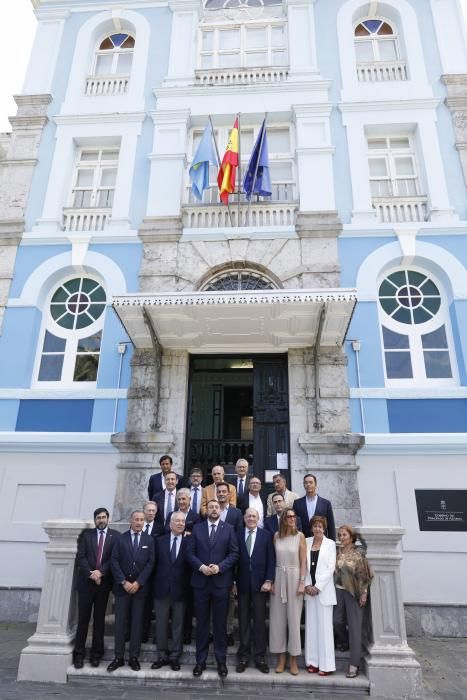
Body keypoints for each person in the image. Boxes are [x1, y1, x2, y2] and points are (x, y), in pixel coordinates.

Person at [186, 499, 239, 679]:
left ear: (220, 510)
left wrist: (220, 567)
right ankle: (200, 661)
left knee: (220, 625)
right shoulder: (197, 529)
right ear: (206, 510)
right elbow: (189, 553)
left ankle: (221, 661)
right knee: (201, 624)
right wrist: (201, 567)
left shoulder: (229, 529)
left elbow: (234, 553)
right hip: (200, 582)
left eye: (217, 507)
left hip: (221, 583)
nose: (214, 509)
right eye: (211, 507)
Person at [108, 510, 155, 672]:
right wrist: (123, 582)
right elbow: (114, 562)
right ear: (131, 520)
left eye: (142, 520)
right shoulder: (121, 539)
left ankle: (134, 657)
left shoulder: (149, 540)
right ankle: (118, 657)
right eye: (136, 519)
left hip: (139, 589)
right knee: (120, 624)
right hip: (122, 589)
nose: (139, 522)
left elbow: (150, 563)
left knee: (137, 624)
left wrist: (138, 582)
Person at [73, 508, 120, 669]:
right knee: (83, 620)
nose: (101, 520)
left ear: (108, 519)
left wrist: (101, 572)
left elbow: (114, 558)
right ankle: (79, 654)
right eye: (98, 518)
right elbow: (81, 557)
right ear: (95, 520)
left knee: (99, 620)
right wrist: (91, 574)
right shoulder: (87, 535)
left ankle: (96, 654)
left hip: (103, 585)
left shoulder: (116, 536)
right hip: (86, 584)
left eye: (104, 517)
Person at [234, 508, 275, 674]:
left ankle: (259, 657)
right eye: (248, 516)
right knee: (243, 621)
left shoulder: (266, 535)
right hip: (242, 584)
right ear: (244, 518)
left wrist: (268, 580)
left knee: (259, 621)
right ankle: (243, 657)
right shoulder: (236, 534)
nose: (251, 518)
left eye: (254, 516)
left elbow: (271, 559)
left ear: (258, 519)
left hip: (260, 585)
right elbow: (233, 559)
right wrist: (234, 581)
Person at [151, 512, 190, 671]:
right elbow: (153, 565)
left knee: (178, 624)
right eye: (178, 521)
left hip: (181, 589)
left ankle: (175, 656)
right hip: (161, 589)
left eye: (183, 521)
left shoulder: (190, 542)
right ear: (170, 524)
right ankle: (161, 655)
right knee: (160, 624)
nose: (181, 524)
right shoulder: (159, 541)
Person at [269, 509, 306, 676]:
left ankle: (293, 660)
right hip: (278, 578)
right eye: (289, 516)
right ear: (283, 519)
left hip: (294, 577)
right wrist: (272, 581)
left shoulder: (300, 536)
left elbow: (303, 561)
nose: (292, 519)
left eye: (293, 516)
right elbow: (272, 560)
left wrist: (302, 583)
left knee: (293, 620)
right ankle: (281, 658)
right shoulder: (276, 536)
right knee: (277, 620)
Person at [333, 524, 373, 679]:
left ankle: (354, 664)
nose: (341, 538)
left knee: (355, 628)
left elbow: (364, 575)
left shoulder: (358, 554)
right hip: (338, 591)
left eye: (344, 535)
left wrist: (364, 594)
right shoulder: (337, 552)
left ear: (351, 537)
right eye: (340, 535)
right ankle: (345, 641)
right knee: (336, 621)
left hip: (353, 593)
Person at [304, 515, 337, 676]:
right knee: (311, 627)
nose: (317, 529)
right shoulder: (306, 542)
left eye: (320, 526)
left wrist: (317, 586)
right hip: (309, 591)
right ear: (311, 528)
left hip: (323, 592)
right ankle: (312, 662)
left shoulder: (330, 544)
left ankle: (326, 665)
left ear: (324, 528)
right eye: (315, 526)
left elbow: (330, 568)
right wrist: (306, 585)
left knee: (325, 629)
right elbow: (302, 565)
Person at [141, 500, 164, 643]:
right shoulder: (137, 525)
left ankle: (144, 633)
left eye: (153, 511)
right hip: (136, 572)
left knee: (149, 606)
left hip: (153, 573)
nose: (150, 513)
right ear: (143, 511)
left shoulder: (160, 528)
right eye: (148, 510)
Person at [293, 473, 336, 540]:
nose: (308, 484)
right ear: (303, 485)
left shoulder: (326, 503)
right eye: (306, 482)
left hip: (321, 541)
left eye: (311, 482)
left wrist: (332, 542)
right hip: (303, 540)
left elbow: (331, 525)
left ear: (315, 485)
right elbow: (295, 524)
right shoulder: (297, 503)